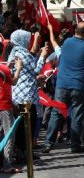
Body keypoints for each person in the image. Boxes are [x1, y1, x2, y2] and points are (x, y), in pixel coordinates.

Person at [42, 22, 84, 154]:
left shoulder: (68, 42)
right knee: (77, 115)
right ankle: (75, 145)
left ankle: (48, 143)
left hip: (62, 84)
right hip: (79, 86)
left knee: (56, 114)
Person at [9, 29, 49, 161]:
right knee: (27, 126)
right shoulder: (22, 53)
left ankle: (23, 152)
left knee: (21, 126)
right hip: (26, 95)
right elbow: (35, 70)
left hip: (19, 93)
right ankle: (24, 153)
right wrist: (43, 56)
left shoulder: (15, 52)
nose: (29, 41)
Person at [0, 50, 22, 173]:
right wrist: (18, 68)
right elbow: (13, 81)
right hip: (3, 105)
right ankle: (7, 164)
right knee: (9, 135)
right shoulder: (4, 69)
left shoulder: (4, 68)